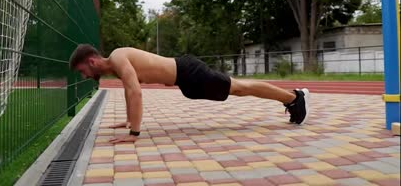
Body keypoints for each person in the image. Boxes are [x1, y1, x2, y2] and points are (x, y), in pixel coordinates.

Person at [69, 45, 310, 144]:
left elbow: (135, 92)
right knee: (238, 89)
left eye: (82, 71)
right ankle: (292, 97)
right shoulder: (117, 65)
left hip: (188, 72)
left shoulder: (119, 57)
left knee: (239, 88)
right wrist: (129, 120)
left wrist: (134, 133)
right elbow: (128, 91)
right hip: (186, 80)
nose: (84, 76)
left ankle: (294, 98)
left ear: (91, 61)